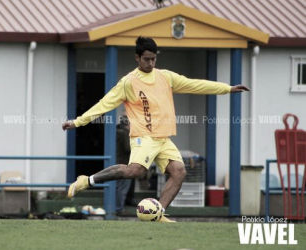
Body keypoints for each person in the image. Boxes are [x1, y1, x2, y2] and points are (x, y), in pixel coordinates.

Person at [62, 36, 249, 222]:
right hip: (143, 136)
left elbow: (194, 84)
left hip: (163, 139)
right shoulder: (128, 82)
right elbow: (104, 104)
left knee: (179, 172)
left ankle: (158, 213)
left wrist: (227, 88)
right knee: (136, 171)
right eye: (146, 59)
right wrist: (78, 122)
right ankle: (86, 181)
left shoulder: (165, 77)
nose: (150, 63)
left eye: (153, 59)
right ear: (137, 58)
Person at [115, 115, 136, 215]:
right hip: (125, 163)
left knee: (118, 186)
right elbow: (128, 148)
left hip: (116, 162)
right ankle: (119, 209)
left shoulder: (116, 131)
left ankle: (118, 207)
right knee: (123, 187)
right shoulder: (126, 133)